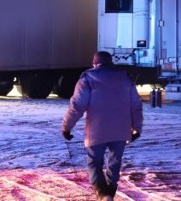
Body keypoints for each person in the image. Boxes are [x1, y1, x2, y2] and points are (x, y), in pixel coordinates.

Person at [61, 51, 144, 200]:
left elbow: (77, 106)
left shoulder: (87, 78)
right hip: (121, 129)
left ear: (94, 63)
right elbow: (135, 105)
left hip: (96, 130)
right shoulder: (125, 78)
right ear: (110, 62)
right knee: (115, 161)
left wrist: (66, 127)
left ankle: (102, 192)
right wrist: (137, 127)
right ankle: (110, 190)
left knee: (94, 162)